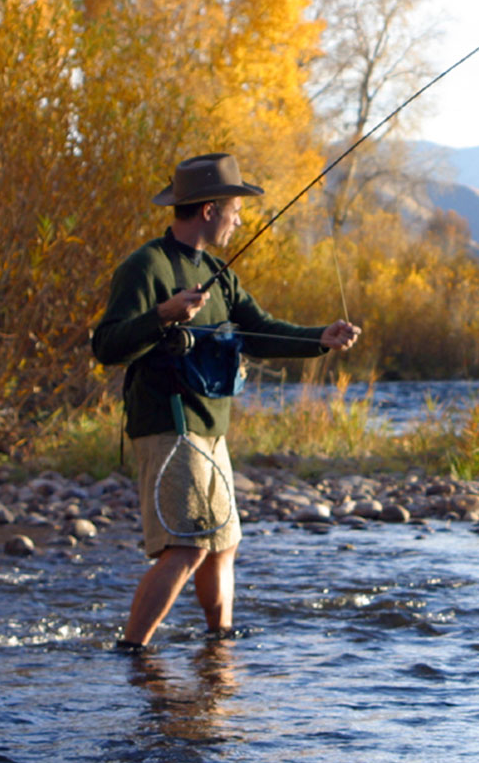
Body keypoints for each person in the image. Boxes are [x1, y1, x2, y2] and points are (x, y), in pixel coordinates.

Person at [92, 152, 360, 650]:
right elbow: (105, 346)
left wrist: (320, 338)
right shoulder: (146, 266)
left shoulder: (219, 273)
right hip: (167, 425)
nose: (240, 219)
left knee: (223, 544)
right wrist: (164, 314)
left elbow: (260, 332)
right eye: (235, 208)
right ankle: (132, 650)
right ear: (209, 210)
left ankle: (220, 643)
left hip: (210, 428)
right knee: (187, 545)